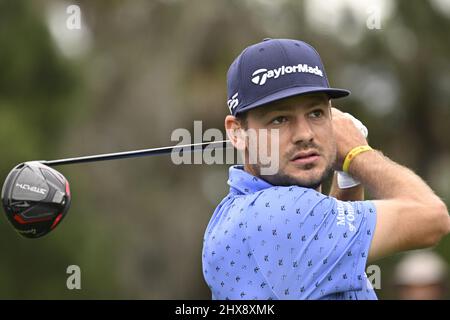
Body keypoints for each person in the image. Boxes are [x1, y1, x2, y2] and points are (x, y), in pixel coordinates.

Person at [201, 38, 450, 300]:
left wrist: (347, 174)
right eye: (280, 119)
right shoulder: (279, 213)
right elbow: (431, 217)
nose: (305, 134)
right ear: (237, 132)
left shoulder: (234, 212)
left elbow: (332, 254)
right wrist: (357, 153)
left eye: (316, 113)